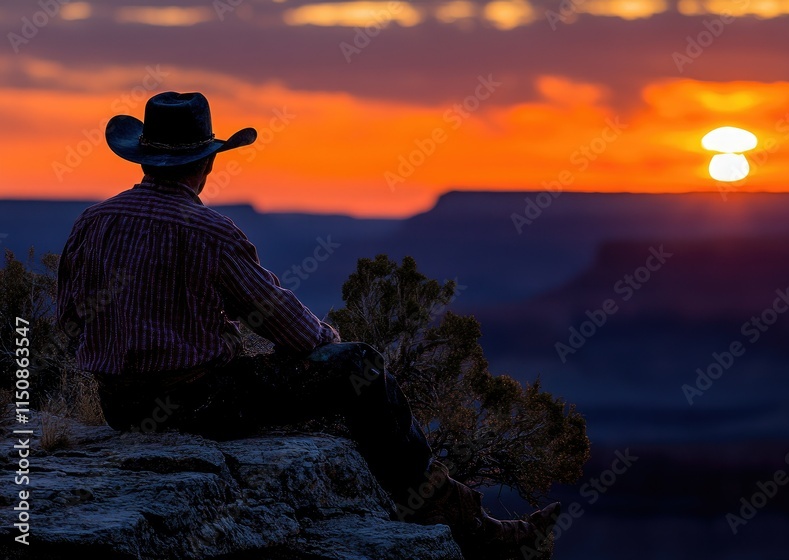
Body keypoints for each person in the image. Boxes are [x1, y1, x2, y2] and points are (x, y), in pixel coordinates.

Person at [56, 91, 558, 559]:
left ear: (143, 159)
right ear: (207, 162)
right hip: (197, 403)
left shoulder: (92, 222)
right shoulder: (209, 232)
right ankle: (455, 519)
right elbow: (292, 328)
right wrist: (328, 350)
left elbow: (71, 321)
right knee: (359, 366)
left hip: (120, 406)